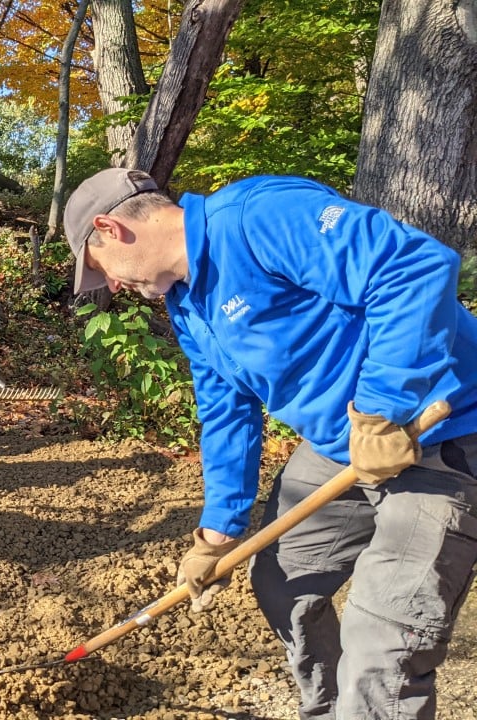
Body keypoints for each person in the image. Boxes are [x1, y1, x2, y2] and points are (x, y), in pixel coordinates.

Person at [65, 167, 477, 719]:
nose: (111, 286)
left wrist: (382, 410)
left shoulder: (257, 218)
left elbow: (415, 266)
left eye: (100, 270)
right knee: (284, 581)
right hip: (340, 447)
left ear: (109, 228)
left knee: (383, 639)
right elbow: (226, 411)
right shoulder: (187, 303)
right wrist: (216, 533)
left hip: (439, 432)